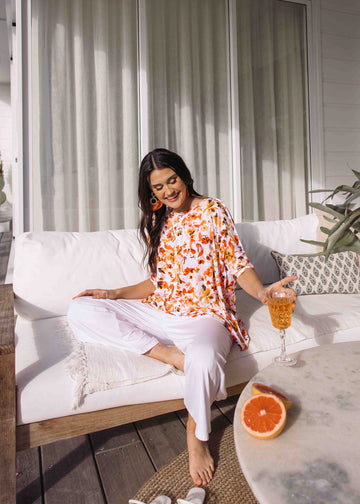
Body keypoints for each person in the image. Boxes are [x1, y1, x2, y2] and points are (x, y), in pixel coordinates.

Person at [68, 148, 296, 487]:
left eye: (171, 180)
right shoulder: (160, 220)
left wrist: (262, 293)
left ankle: (196, 436)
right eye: (157, 188)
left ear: (184, 176)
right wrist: (112, 293)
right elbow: (158, 281)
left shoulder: (213, 210)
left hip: (203, 317)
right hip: (158, 311)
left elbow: (238, 264)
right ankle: (169, 355)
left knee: (203, 360)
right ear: (151, 193)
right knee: (80, 308)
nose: (167, 191)